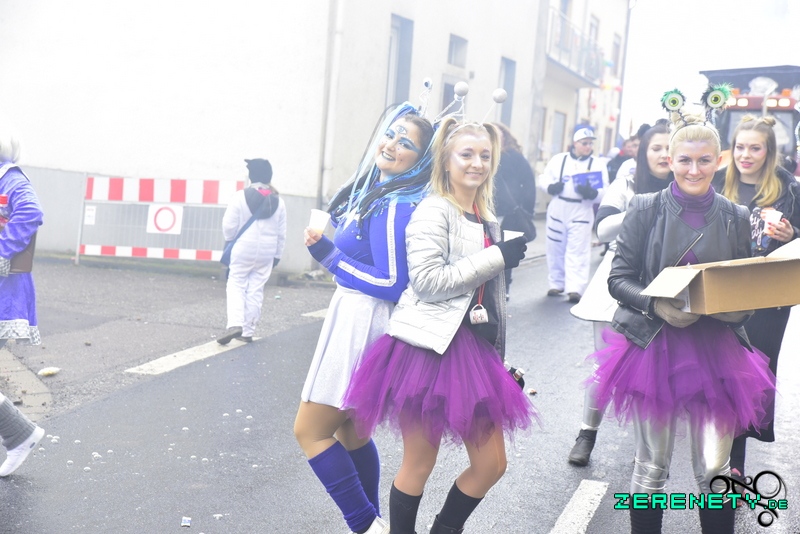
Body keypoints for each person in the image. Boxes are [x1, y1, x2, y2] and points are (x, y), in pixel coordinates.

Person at [342, 118, 535, 534]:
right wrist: (497, 256)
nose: (477, 163)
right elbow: (428, 282)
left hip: (472, 351)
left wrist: (498, 362)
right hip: (425, 351)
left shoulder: (486, 215)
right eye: (466, 154)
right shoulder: (434, 209)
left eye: (485, 155)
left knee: (491, 465)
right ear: (446, 160)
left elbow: (486, 301)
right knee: (419, 462)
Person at [590, 109, 775, 534]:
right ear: (670, 160)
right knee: (651, 465)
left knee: (714, 468)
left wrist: (737, 310)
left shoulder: (736, 215)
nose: (694, 170)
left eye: (704, 160)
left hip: (717, 351)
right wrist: (655, 305)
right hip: (654, 347)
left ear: (719, 160)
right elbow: (619, 279)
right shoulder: (643, 207)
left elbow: (745, 285)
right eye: (685, 160)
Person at [293, 103, 435, 534]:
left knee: (310, 431)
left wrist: (328, 255)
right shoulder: (381, 190)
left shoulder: (394, 204)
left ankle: (365, 527)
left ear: (421, 160)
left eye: (406, 143)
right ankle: (373, 523)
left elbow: (392, 281)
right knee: (352, 432)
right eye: (391, 134)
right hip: (355, 315)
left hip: (364, 320)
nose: (392, 144)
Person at [567, 122, 673, 466]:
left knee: (658, 370)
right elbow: (603, 229)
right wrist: (647, 206)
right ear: (643, 153)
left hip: (668, 287)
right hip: (618, 281)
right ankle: (587, 433)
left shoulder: (689, 183)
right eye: (656, 148)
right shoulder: (628, 181)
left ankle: (650, 452)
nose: (664, 155)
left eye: (670, 148)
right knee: (607, 365)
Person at [712, 115, 800, 484]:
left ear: (769, 151)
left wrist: (792, 234)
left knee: (749, 378)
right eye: (740, 147)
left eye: (755, 148)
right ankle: (712, 455)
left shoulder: (789, 188)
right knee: (718, 375)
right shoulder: (717, 181)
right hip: (721, 290)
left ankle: (735, 463)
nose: (745, 155)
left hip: (767, 298)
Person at [0, 130, 46, 476]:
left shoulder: (11, 179)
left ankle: (20, 434)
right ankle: (20, 434)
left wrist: (2, 250)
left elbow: (31, 212)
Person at [216, 158, 286, 345]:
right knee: (256, 288)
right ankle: (247, 331)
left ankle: (235, 324)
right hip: (267, 251)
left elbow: (228, 227)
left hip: (243, 247)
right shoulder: (278, 201)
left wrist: (232, 239)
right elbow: (282, 233)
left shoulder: (240, 196)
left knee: (236, 283)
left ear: (251, 176)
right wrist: (277, 256)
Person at [539, 126, 608, 303]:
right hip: (558, 207)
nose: (588, 147)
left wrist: (593, 193)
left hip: (581, 210)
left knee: (578, 250)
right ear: (575, 143)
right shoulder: (558, 160)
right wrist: (550, 187)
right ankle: (556, 283)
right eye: (584, 143)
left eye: (590, 143)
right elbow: (544, 178)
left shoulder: (598, 164)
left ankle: (575, 288)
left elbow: (605, 190)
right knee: (555, 248)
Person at [491, 122, 536, 300]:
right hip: (489, 212)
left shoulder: (515, 157)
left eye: (496, 134)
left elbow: (529, 184)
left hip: (511, 213)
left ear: (504, 137)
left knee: (508, 251)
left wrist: (526, 210)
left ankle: (504, 288)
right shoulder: (484, 156)